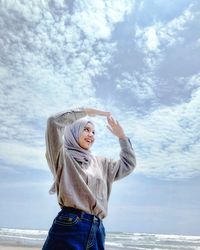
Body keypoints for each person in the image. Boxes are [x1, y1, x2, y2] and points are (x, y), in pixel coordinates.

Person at [42, 107, 136, 250]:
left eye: (93, 132)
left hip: (97, 230)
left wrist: (122, 137)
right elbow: (53, 122)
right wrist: (85, 111)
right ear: (73, 131)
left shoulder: (102, 164)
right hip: (70, 226)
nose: (91, 135)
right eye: (86, 129)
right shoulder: (62, 157)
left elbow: (128, 164)